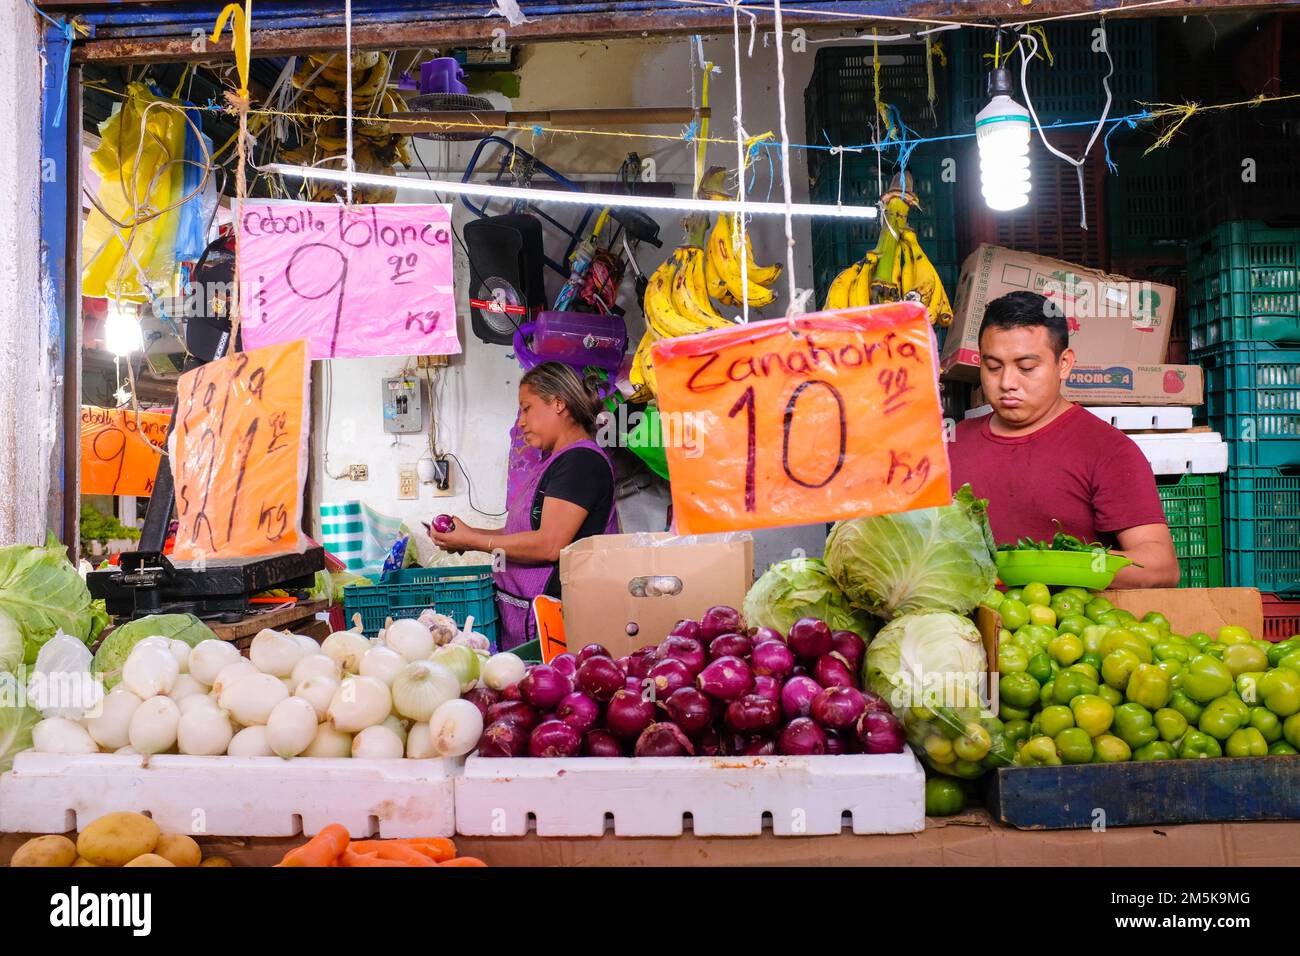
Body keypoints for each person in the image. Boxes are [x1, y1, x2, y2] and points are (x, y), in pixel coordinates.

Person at [948, 290, 1180, 588]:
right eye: (993, 367)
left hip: (1067, 630)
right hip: (958, 630)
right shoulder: (950, 444)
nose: (1007, 383)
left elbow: (1160, 567)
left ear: (1065, 364)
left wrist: (1044, 570)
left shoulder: (1107, 449)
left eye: (1026, 367)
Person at [432, 362, 619, 648]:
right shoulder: (556, 461)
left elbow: (548, 545)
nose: (520, 421)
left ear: (558, 403)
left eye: (526, 408)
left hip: (560, 622)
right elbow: (523, 533)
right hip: (530, 617)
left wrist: (473, 539)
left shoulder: (581, 462)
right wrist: (469, 536)